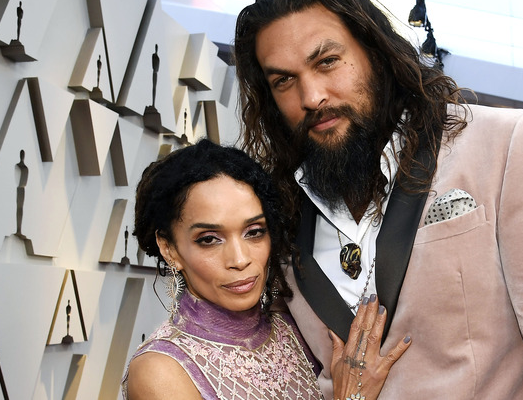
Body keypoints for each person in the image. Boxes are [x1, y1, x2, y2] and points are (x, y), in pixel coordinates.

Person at [233, 0, 523, 398]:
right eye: (283, 80)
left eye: (327, 62)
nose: (311, 96)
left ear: (375, 52)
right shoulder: (281, 212)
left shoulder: (509, 144)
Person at [122, 139, 410, 399]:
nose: (240, 259)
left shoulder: (294, 328)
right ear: (169, 248)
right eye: (209, 239)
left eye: (254, 232)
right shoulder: (160, 372)